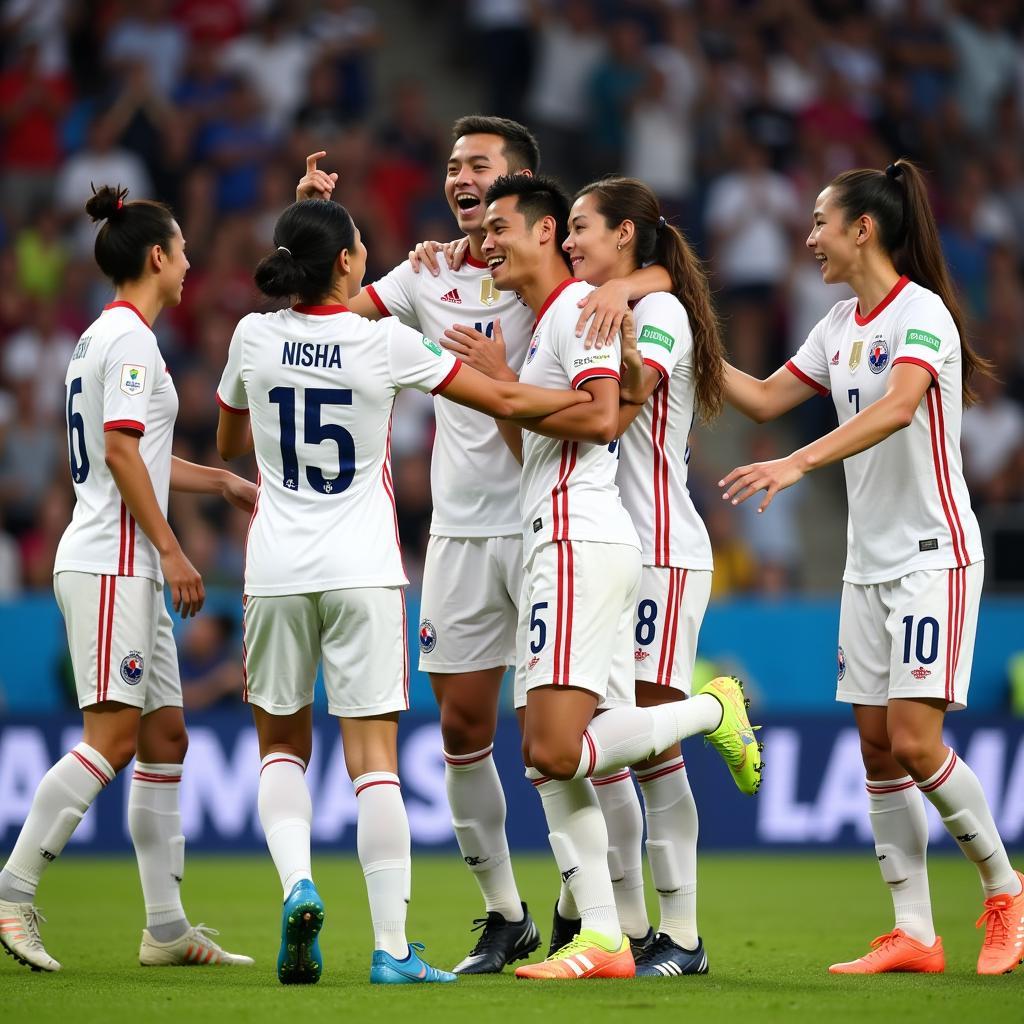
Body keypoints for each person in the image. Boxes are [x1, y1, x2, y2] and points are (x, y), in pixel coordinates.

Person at [298, 115, 663, 973]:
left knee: (571, 734)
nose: (461, 180)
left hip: (559, 525)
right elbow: (327, 312)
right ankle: (507, 913)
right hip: (464, 532)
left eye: (481, 169)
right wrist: (310, 221)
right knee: (464, 729)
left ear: (526, 192)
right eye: (454, 166)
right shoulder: (428, 275)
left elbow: (657, 273)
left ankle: (603, 911)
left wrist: (631, 280)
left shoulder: (565, 282)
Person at [214, 198, 596, 986]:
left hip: (275, 567)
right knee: (374, 763)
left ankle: (299, 885)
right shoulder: (385, 342)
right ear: (351, 265)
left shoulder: (251, 336)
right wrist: (597, 405)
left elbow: (227, 440)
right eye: (358, 246)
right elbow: (499, 400)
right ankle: (391, 949)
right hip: (363, 568)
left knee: (281, 748)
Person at [719, 159, 1023, 976]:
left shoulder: (920, 312)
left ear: (864, 228)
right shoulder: (835, 324)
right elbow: (759, 398)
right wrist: (676, 333)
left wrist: (796, 465)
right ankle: (915, 933)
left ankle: (1006, 890)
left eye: (821, 221)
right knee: (878, 750)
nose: (809, 236)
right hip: (868, 567)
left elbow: (898, 406)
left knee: (918, 742)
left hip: (935, 556)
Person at [464, 173, 759, 981]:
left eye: (583, 229)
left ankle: (682, 933)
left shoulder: (648, 312)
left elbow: (614, 412)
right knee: (594, 753)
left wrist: (502, 385)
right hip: (602, 536)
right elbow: (547, 434)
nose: (570, 244)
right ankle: (621, 926)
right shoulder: (598, 306)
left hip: (654, 540)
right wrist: (508, 388)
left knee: (641, 755)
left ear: (626, 235)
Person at [0, 185, 256, 973]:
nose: (188, 263)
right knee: (110, 739)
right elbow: (117, 454)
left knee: (165, 736)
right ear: (156, 256)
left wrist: (215, 482)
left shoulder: (97, 339)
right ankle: (13, 894)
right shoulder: (135, 346)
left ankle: (166, 928)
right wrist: (176, 550)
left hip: (124, 560)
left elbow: (133, 451)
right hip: (117, 562)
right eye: (180, 250)